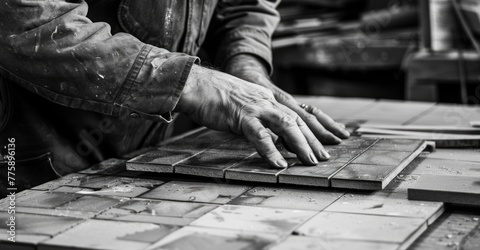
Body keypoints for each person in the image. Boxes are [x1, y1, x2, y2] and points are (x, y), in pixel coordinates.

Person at [0, 0, 350, 194]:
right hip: (28, 155)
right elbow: (27, 21)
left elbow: (246, 4)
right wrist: (195, 84)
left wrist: (245, 66)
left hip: (139, 152)